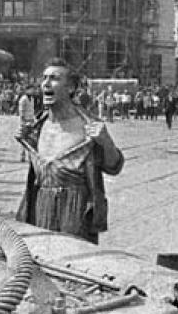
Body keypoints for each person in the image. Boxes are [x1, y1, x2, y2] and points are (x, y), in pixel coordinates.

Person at [16, 58, 123, 244]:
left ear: (71, 87)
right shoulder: (37, 127)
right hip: (41, 206)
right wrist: (26, 137)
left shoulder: (89, 125)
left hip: (75, 210)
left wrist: (106, 141)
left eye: (54, 78)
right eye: (45, 78)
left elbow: (114, 166)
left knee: (74, 263)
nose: (46, 83)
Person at [17, 85, 36, 161]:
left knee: (30, 139)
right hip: (25, 120)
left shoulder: (32, 99)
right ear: (27, 90)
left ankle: (30, 156)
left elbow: (32, 109)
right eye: (31, 90)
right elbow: (21, 111)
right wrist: (23, 121)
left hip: (31, 120)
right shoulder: (23, 99)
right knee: (23, 138)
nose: (32, 91)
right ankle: (22, 155)